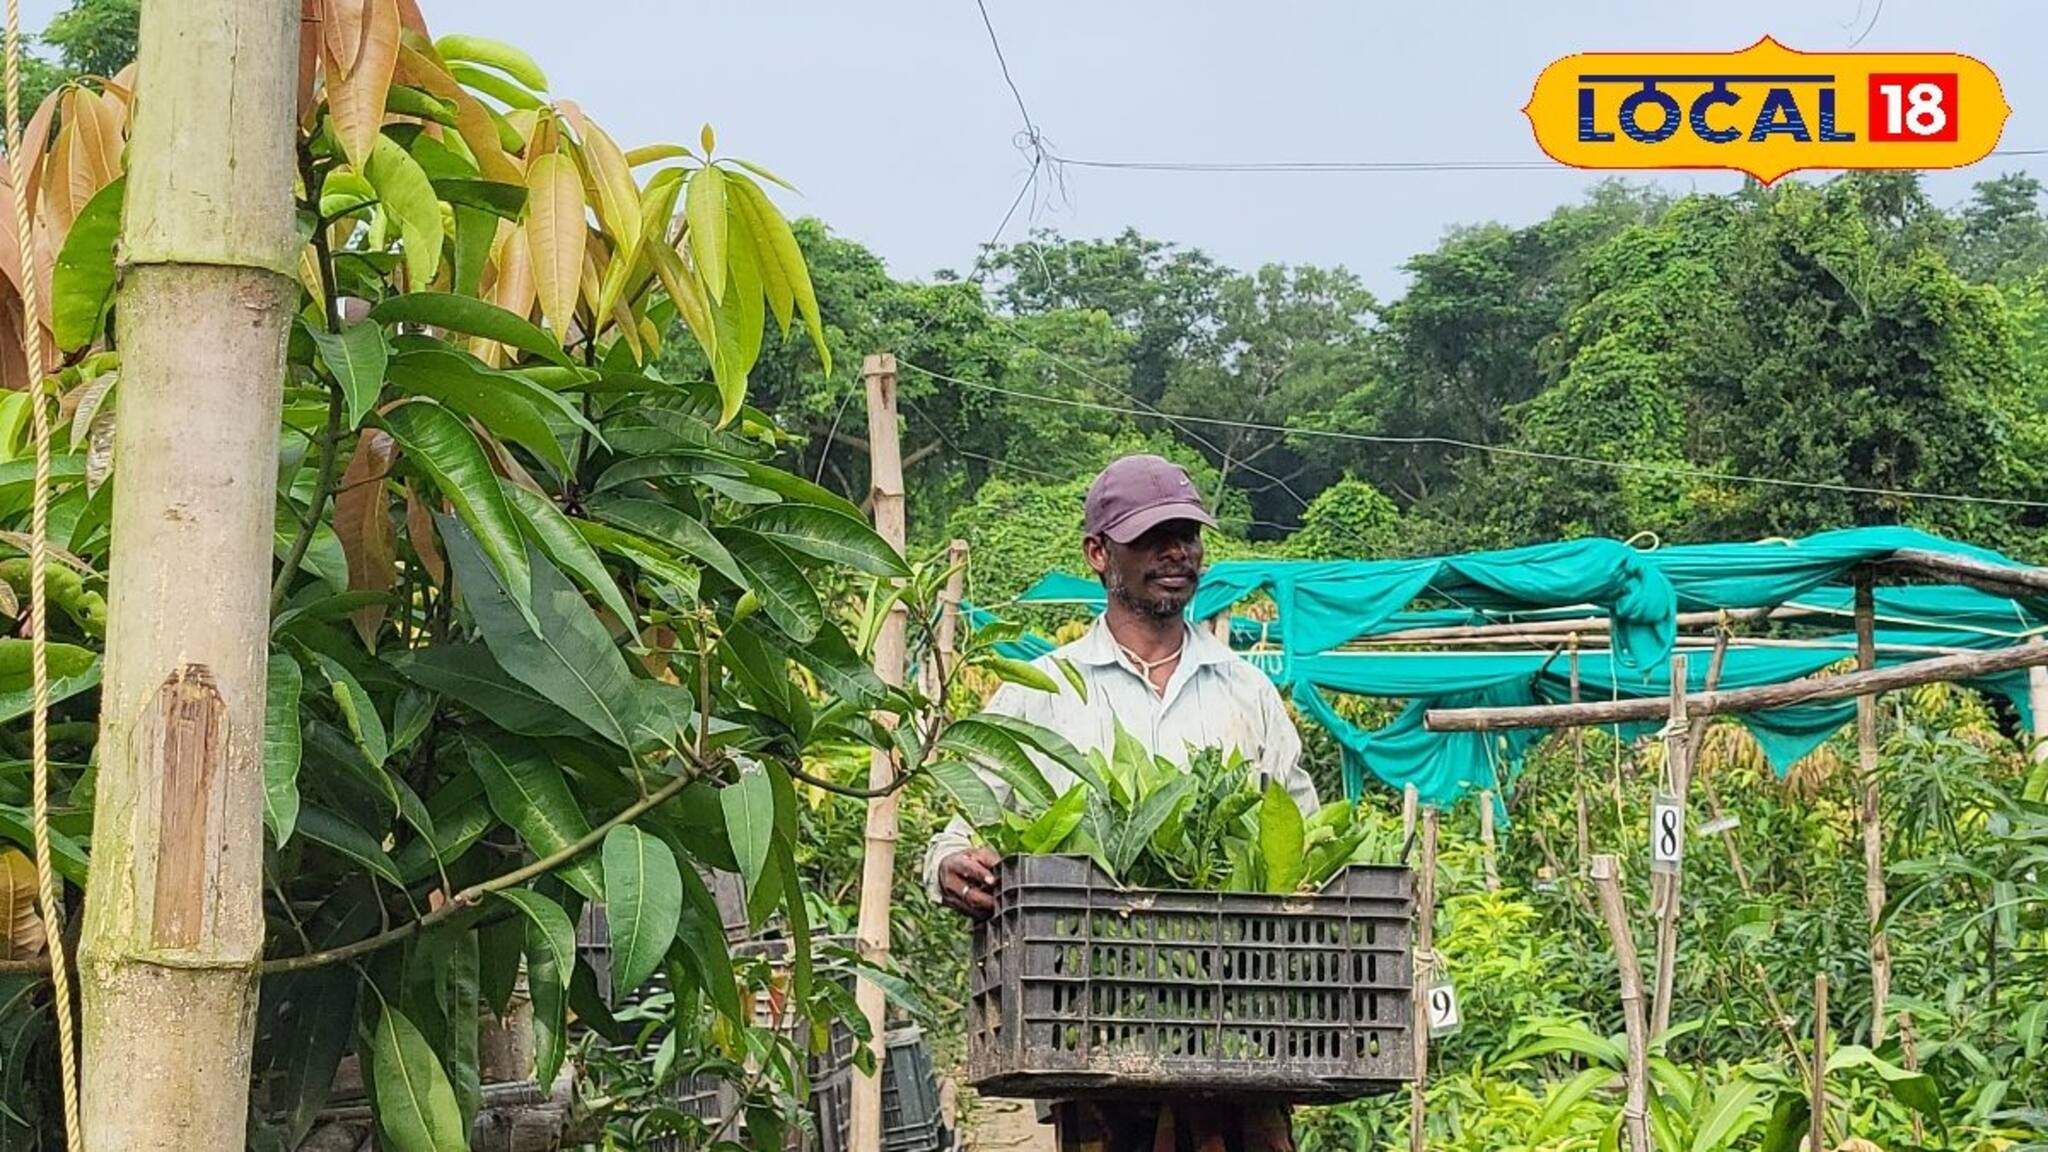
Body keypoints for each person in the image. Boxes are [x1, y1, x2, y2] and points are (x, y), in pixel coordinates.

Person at [924, 453, 1317, 1152]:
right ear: (1098, 553)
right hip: (1094, 1029)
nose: (1177, 553)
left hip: (1240, 1032)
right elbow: (958, 830)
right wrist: (952, 864)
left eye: (1188, 535)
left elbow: (1303, 840)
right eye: (1151, 537)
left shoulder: (1245, 692)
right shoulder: (1041, 690)